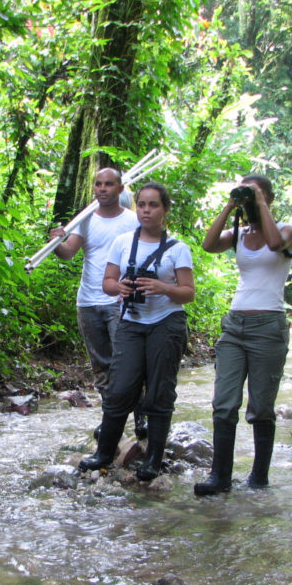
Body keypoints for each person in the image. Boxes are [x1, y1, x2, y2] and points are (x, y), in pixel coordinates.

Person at [78, 182, 194, 481]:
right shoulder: (123, 242)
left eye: (153, 205)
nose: (146, 210)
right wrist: (121, 288)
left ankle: (153, 459)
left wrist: (163, 288)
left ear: (165, 210)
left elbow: (188, 293)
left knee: (159, 391)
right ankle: (104, 453)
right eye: (141, 204)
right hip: (131, 321)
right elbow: (108, 282)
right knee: (119, 388)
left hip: (166, 323)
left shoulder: (178, 249)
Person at [193, 174, 292, 496]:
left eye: (257, 194)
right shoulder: (238, 232)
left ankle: (259, 477)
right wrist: (230, 204)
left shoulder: (287, 230)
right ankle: (220, 478)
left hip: (269, 326)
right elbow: (208, 245)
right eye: (247, 192)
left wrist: (259, 201)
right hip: (235, 325)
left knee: (261, 407)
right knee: (224, 403)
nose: (250, 199)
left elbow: (275, 245)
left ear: (269, 198)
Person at [48, 168, 143, 436]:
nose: (102, 189)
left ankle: (139, 417)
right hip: (88, 301)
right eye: (98, 184)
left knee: (125, 362)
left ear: (120, 189)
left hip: (120, 300)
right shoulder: (85, 220)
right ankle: (110, 417)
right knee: (101, 365)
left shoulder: (133, 221)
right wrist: (56, 243)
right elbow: (69, 253)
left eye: (109, 184)